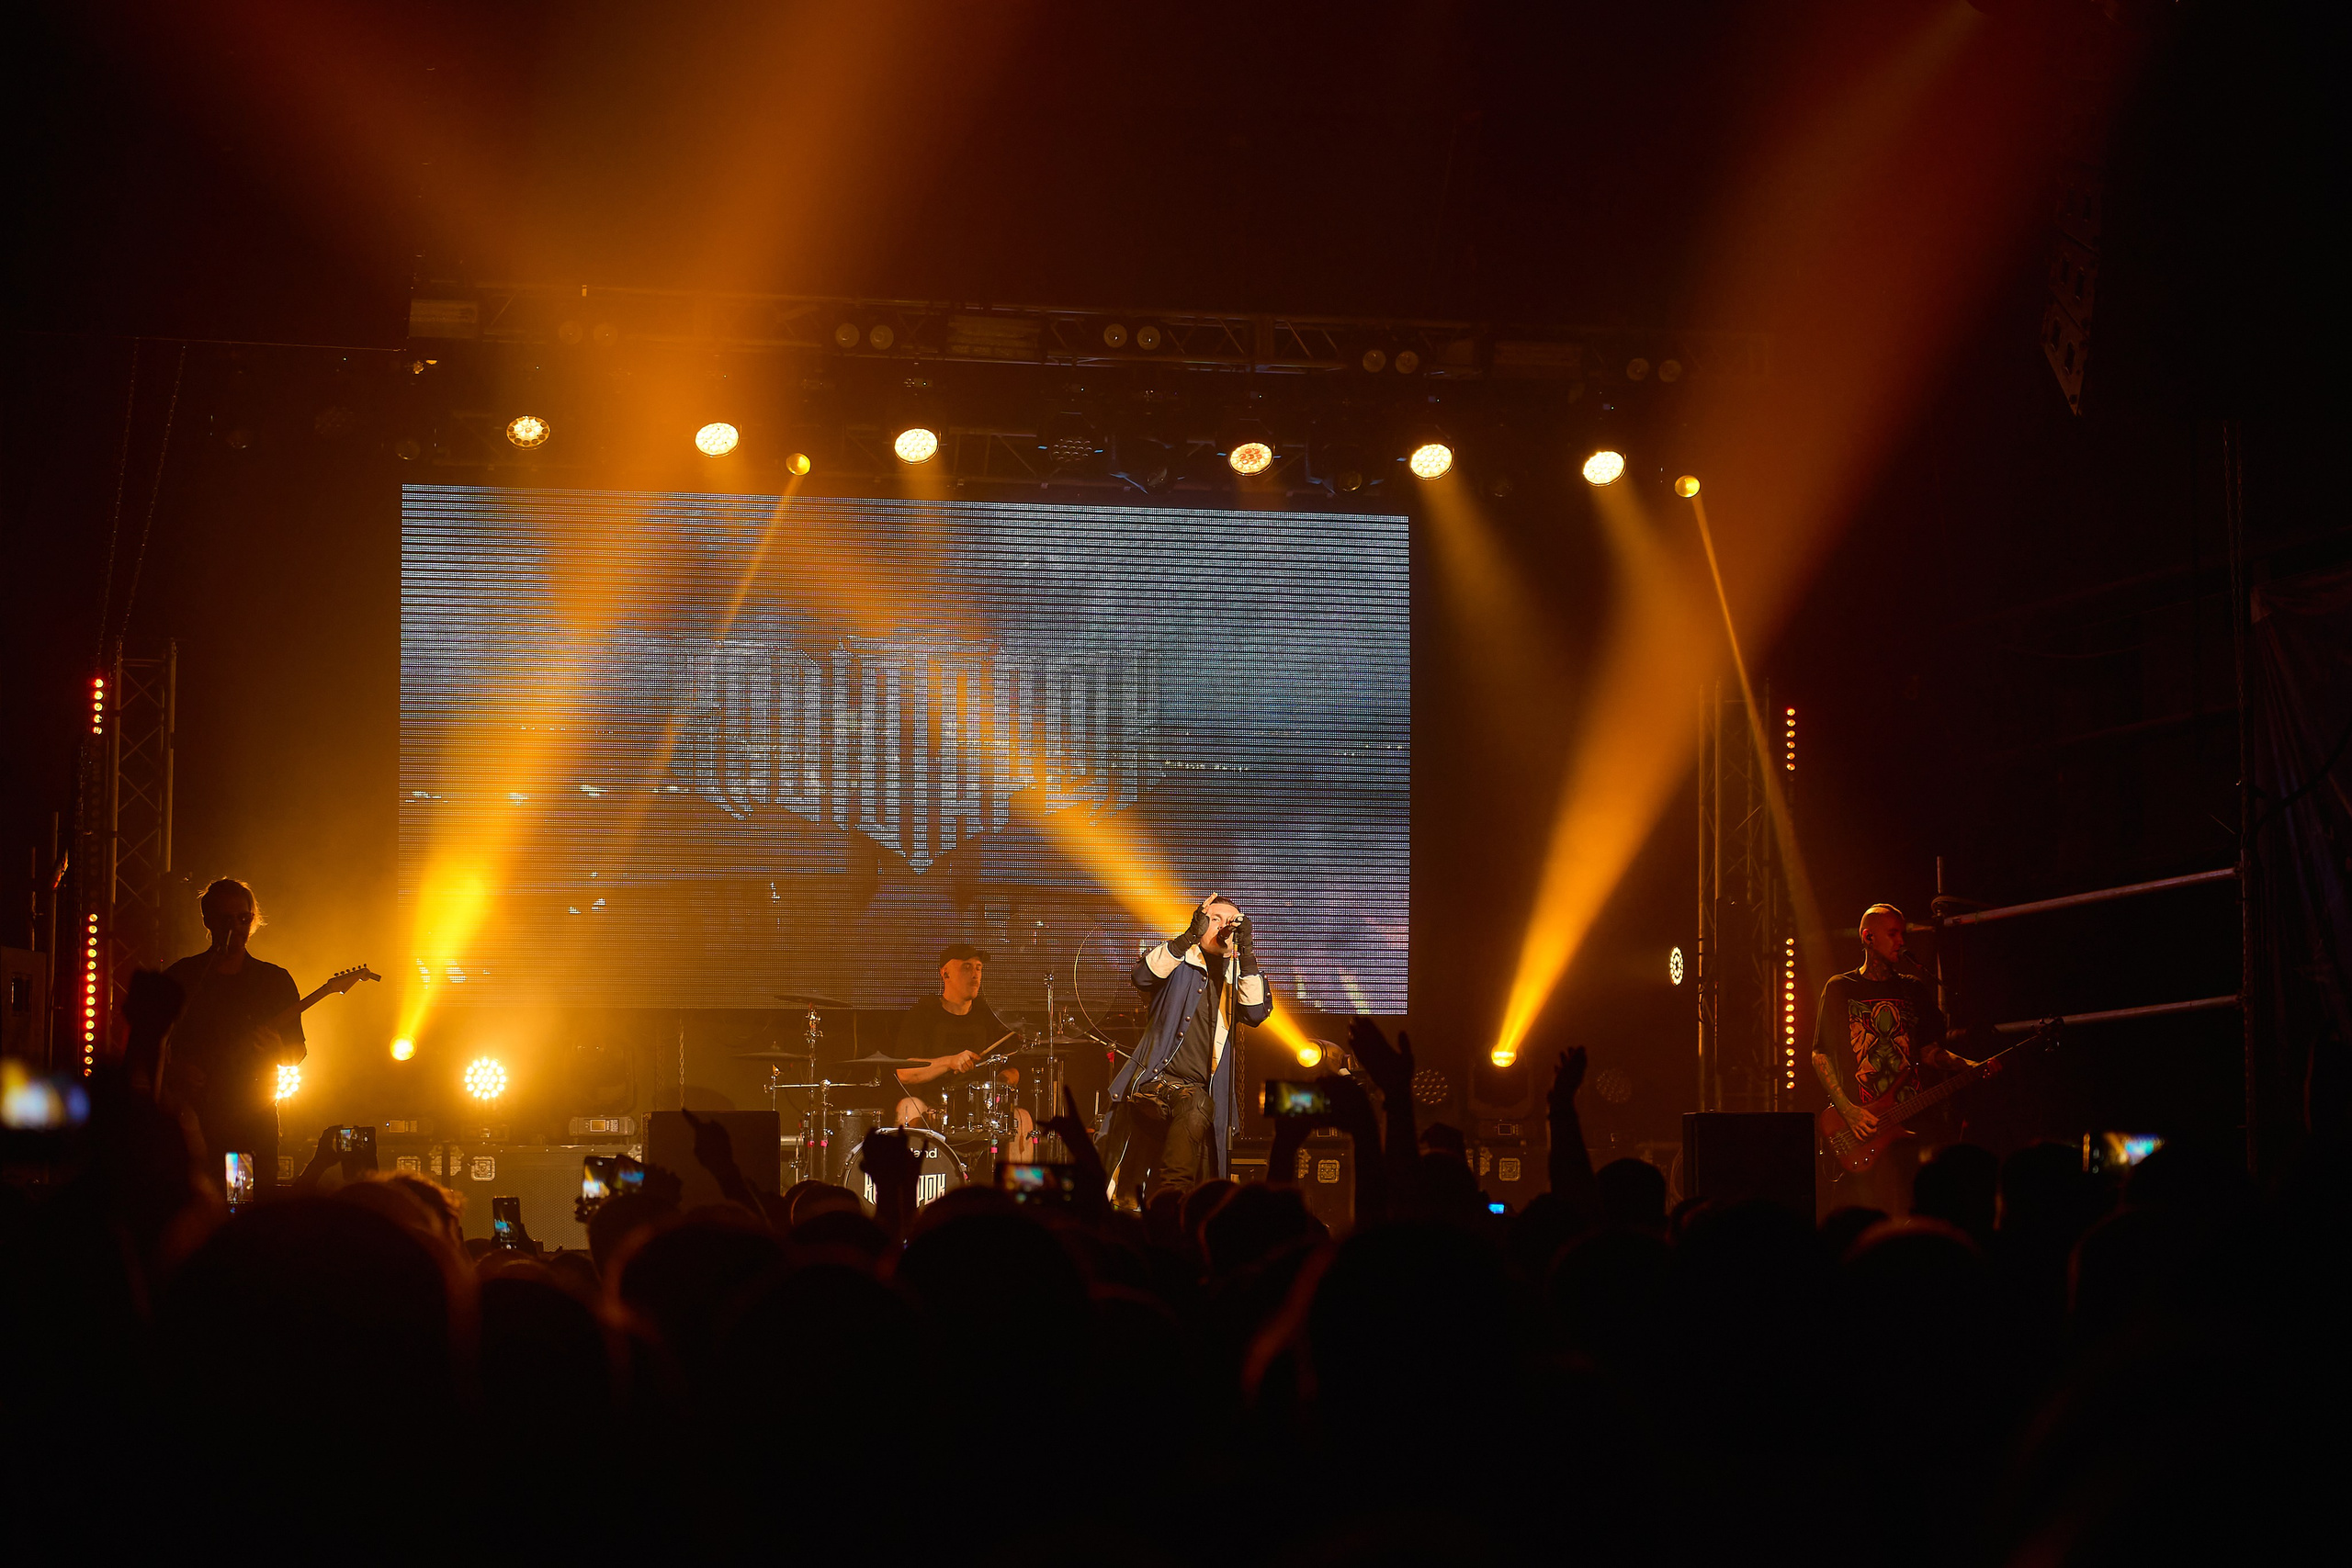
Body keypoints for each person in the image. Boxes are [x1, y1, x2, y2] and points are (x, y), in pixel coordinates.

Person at [1100, 895, 1272, 1206]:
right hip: (1156, 1079)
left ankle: (1173, 1204)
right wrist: (1189, 936)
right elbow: (1142, 976)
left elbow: (1255, 1012)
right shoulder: (1179, 959)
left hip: (1202, 1091)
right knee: (1194, 1105)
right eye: (1216, 919)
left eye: (1231, 922)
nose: (1224, 927)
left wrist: (1246, 952)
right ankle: (1171, 1197)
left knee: (1198, 1112)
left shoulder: (1237, 974)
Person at [1810, 903, 1981, 1210]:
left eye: (1902, 934)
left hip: (1912, 1124)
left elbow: (1928, 1052)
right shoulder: (1840, 988)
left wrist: (1970, 1066)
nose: (1901, 941)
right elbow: (1820, 1054)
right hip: (1864, 1129)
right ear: (1868, 937)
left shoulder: (1912, 989)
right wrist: (1848, 1110)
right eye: (1893, 934)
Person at [161, 878, 305, 1189]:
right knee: (194, 1201)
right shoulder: (183, 977)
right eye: (226, 919)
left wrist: (278, 1050)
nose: (236, 928)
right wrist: (174, 1070)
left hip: (249, 1122)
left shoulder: (273, 981)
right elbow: (148, 1047)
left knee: (241, 1199)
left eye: (243, 918)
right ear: (208, 921)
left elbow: (297, 1051)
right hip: (190, 1123)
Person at [890, 942, 1032, 1156]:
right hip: (933, 1109)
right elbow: (905, 1073)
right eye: (967, 967)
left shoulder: (990, 1017)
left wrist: (1000, 1083)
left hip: (983, 1112)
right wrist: (950, 1062)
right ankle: (919, 1175)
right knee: (908, 1107)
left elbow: (1013, 1069)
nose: (975, 974)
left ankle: (1018, 1179)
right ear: (945, 973)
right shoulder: (923, 1014)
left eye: (978, 968)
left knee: (1022, 1118)